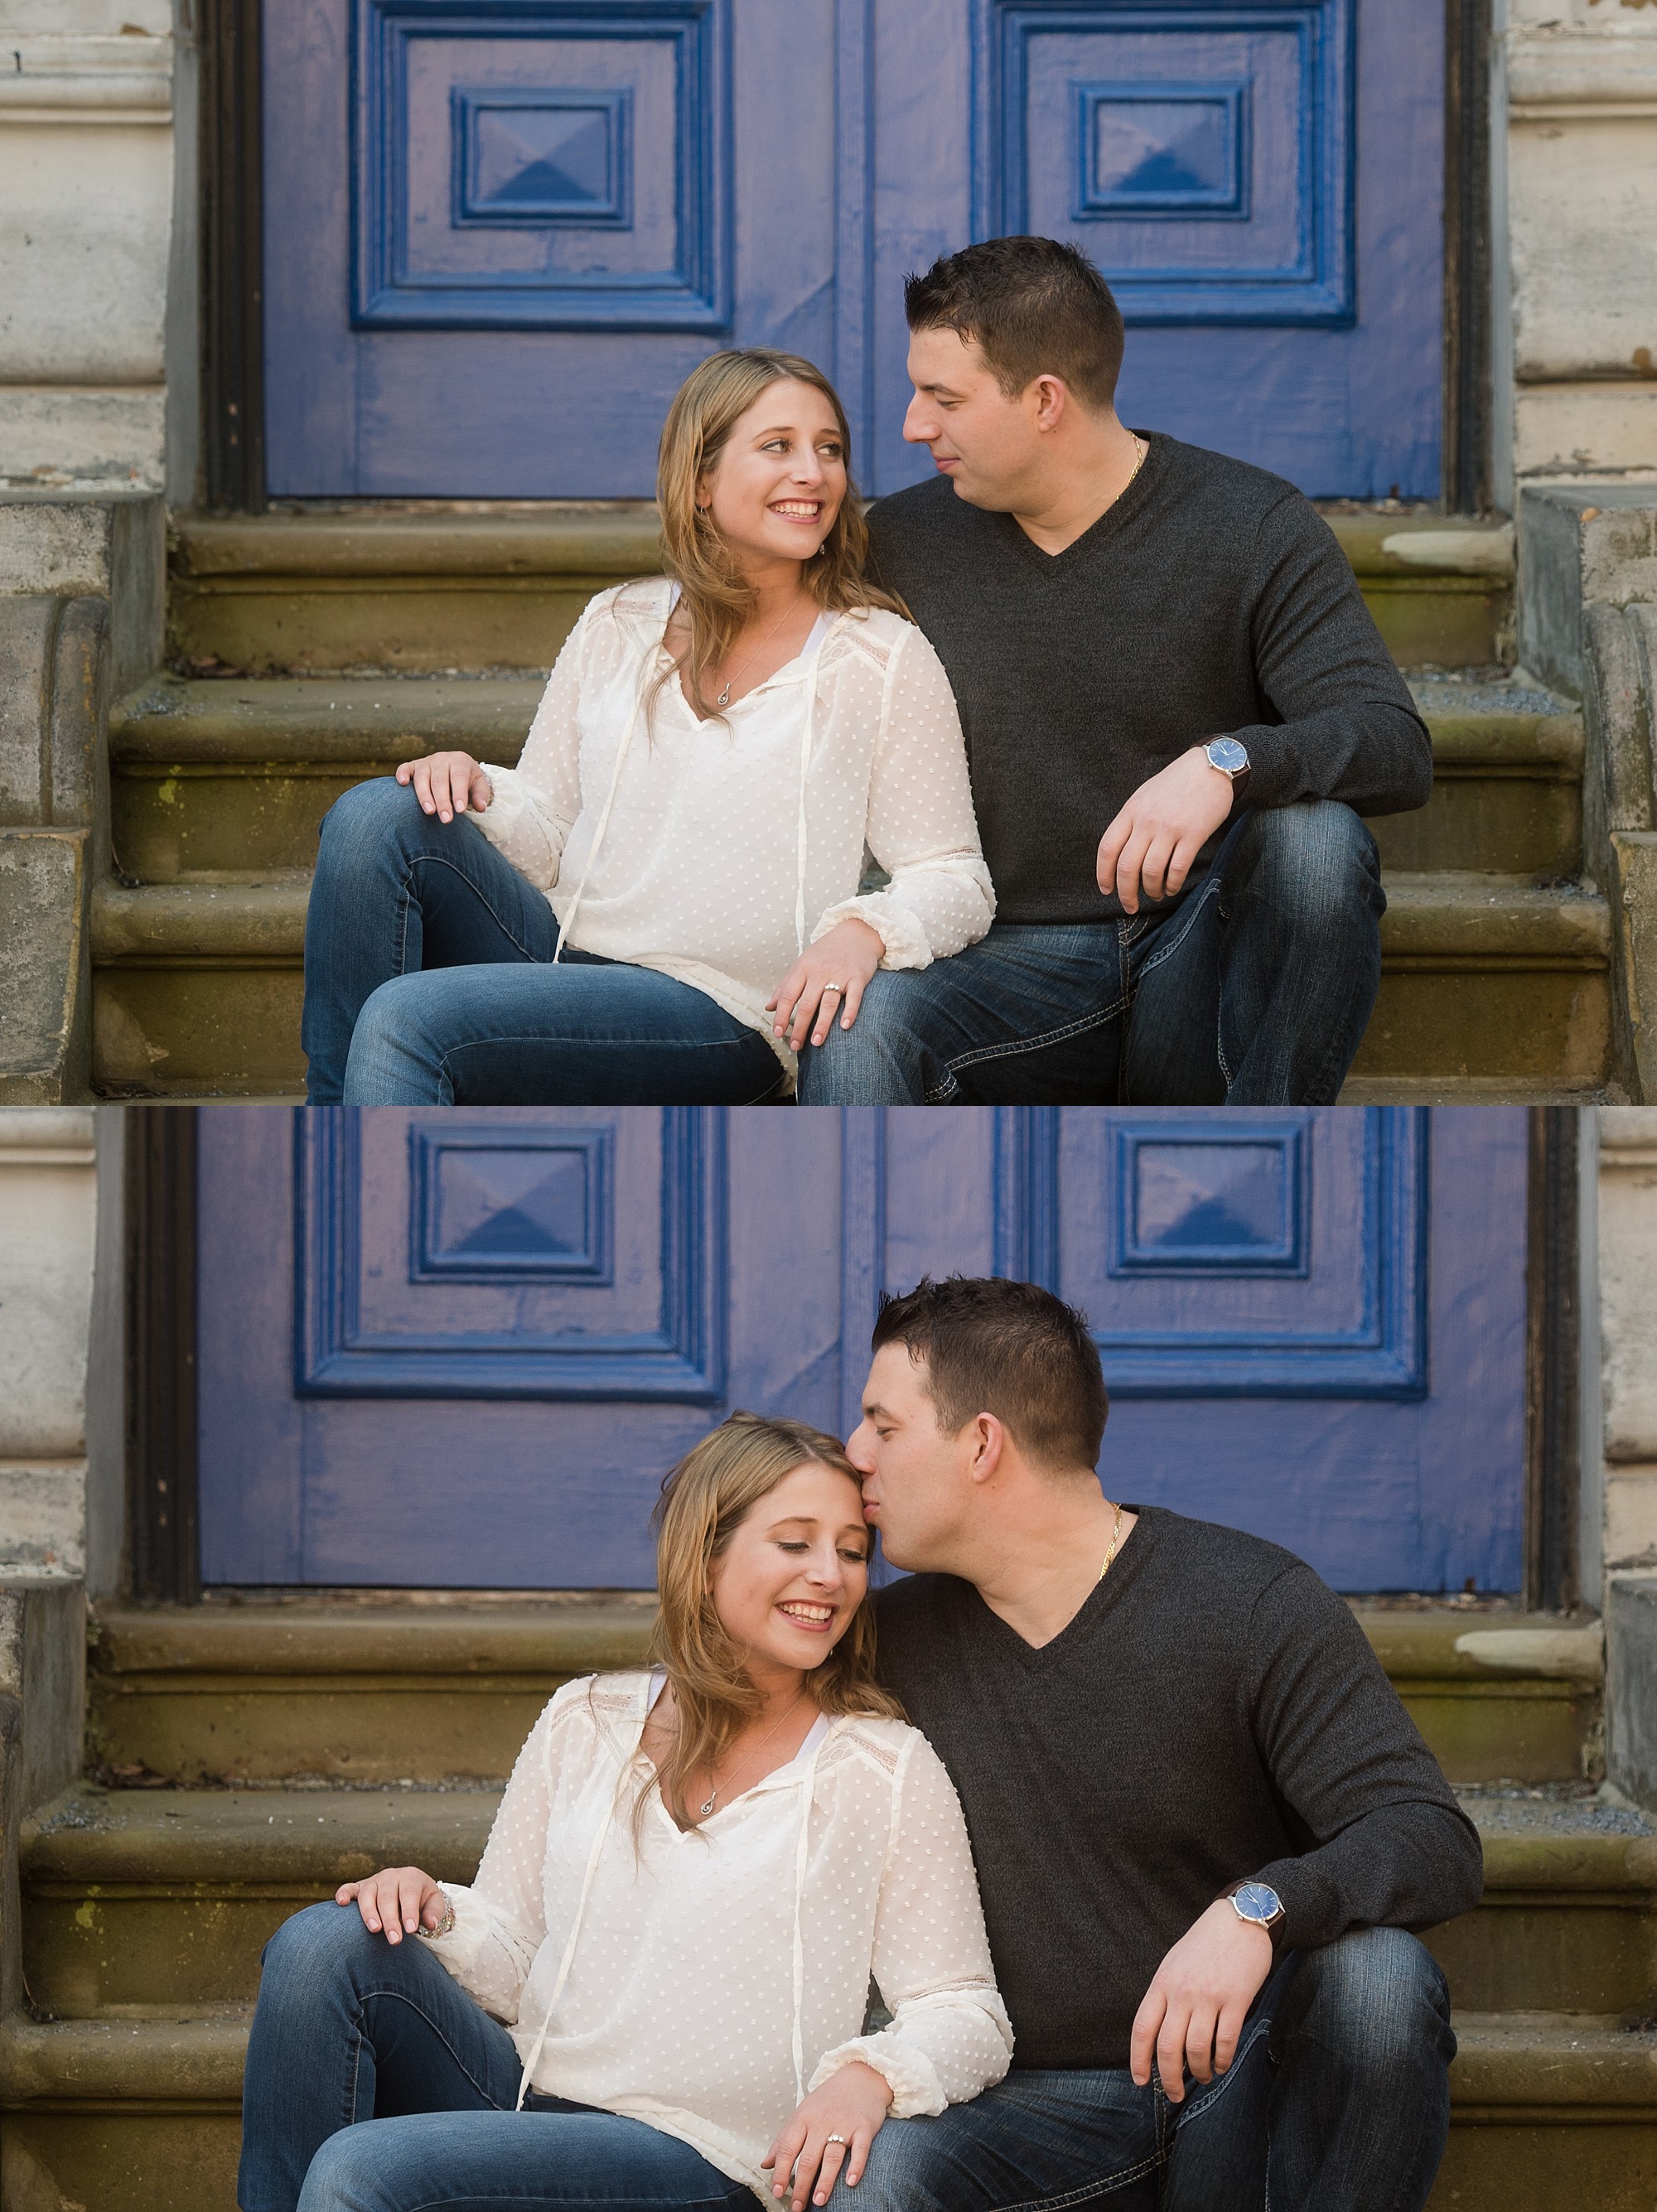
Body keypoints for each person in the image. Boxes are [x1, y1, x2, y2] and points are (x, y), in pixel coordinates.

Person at [236, 1413, 1012, 2212]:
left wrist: (868, 2077)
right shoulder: (586, 1719)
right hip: (525, 2102)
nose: (831, 1575)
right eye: (795, 1543)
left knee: (361, 2171)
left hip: (707, 2157)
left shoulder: (882, 1768)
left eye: (852, 1552)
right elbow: (513, 1948)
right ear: (705, 1555)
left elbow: (965, 2009)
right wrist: (434, 1910)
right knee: (321, 1946)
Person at [841, 1274, 1483, 2212]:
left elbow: (1427, 1834)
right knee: (866, 2177)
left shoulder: (1246, 1603)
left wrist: (1256, 1908)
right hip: (1011, 2114)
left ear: (981, 1443)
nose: (853, 1454)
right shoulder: (879, 1642)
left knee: (1380, 1983)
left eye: (882, 1426)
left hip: (1230, 2085)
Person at [799, 236, 1435, 1107]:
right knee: (857, 1025)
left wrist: (1226, 762)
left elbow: (1391, 742)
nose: (912, 425)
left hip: (1196, 952)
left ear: (1044, 401)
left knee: (1317, 846)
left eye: (941, 397)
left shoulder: (1250, 527)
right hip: (999, 966)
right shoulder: (898, 545)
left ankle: (1258, 1164)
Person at [300, 349, 993, 1104]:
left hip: (725, 1011)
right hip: (562, 958)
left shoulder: (879, 656)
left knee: (407, 1018)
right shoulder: (618, 621)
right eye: (777, 447)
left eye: (829, 450)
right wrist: (476, 787)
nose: (814, 473)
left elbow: (953, 875)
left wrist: (864, 934)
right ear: (700, 482)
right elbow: (548, 825)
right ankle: (336, 1130)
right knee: (376, 815)